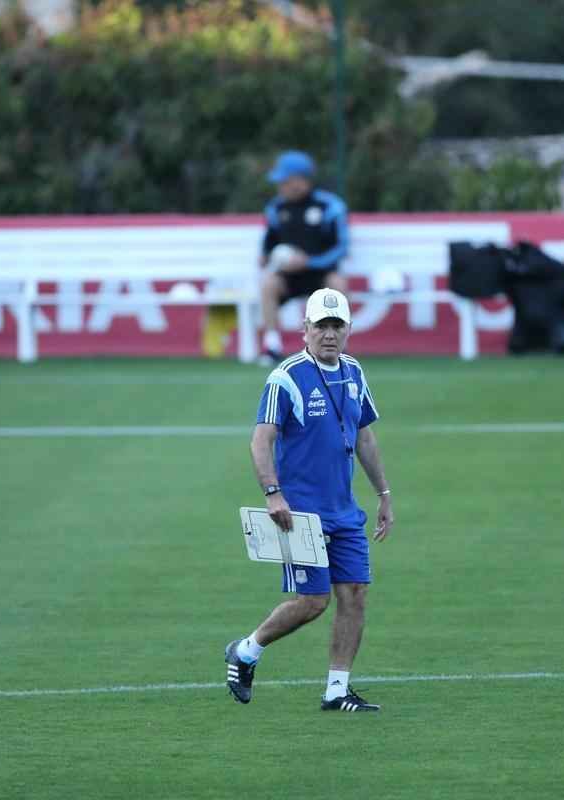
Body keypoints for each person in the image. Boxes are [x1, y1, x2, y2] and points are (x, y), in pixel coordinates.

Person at [225, 288, 394, 712]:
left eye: (338, 326)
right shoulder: (286, 377)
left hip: (344, 512)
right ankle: (246, 650)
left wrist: (384, 493)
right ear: (305, 329)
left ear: (349, 329)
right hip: (299, 515)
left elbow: (364, 436)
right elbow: (261, 440)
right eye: (322, 326)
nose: (330, 334)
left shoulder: (354, 372)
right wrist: (272, 493)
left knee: (354, 595)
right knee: (313, 602)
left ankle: (337, 690)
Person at [257, 150, 351, 366]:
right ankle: (272, 347)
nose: (280, 186)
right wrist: (265, 255)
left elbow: (341, 247)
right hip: (289, 276)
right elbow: (269, 241)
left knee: (338, 283)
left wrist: (309, 261)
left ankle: (338, 349)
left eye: (284, 181)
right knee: (268, 284)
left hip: (321, 274)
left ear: (300, 181)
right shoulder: (276, 208)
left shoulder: (330, 206)